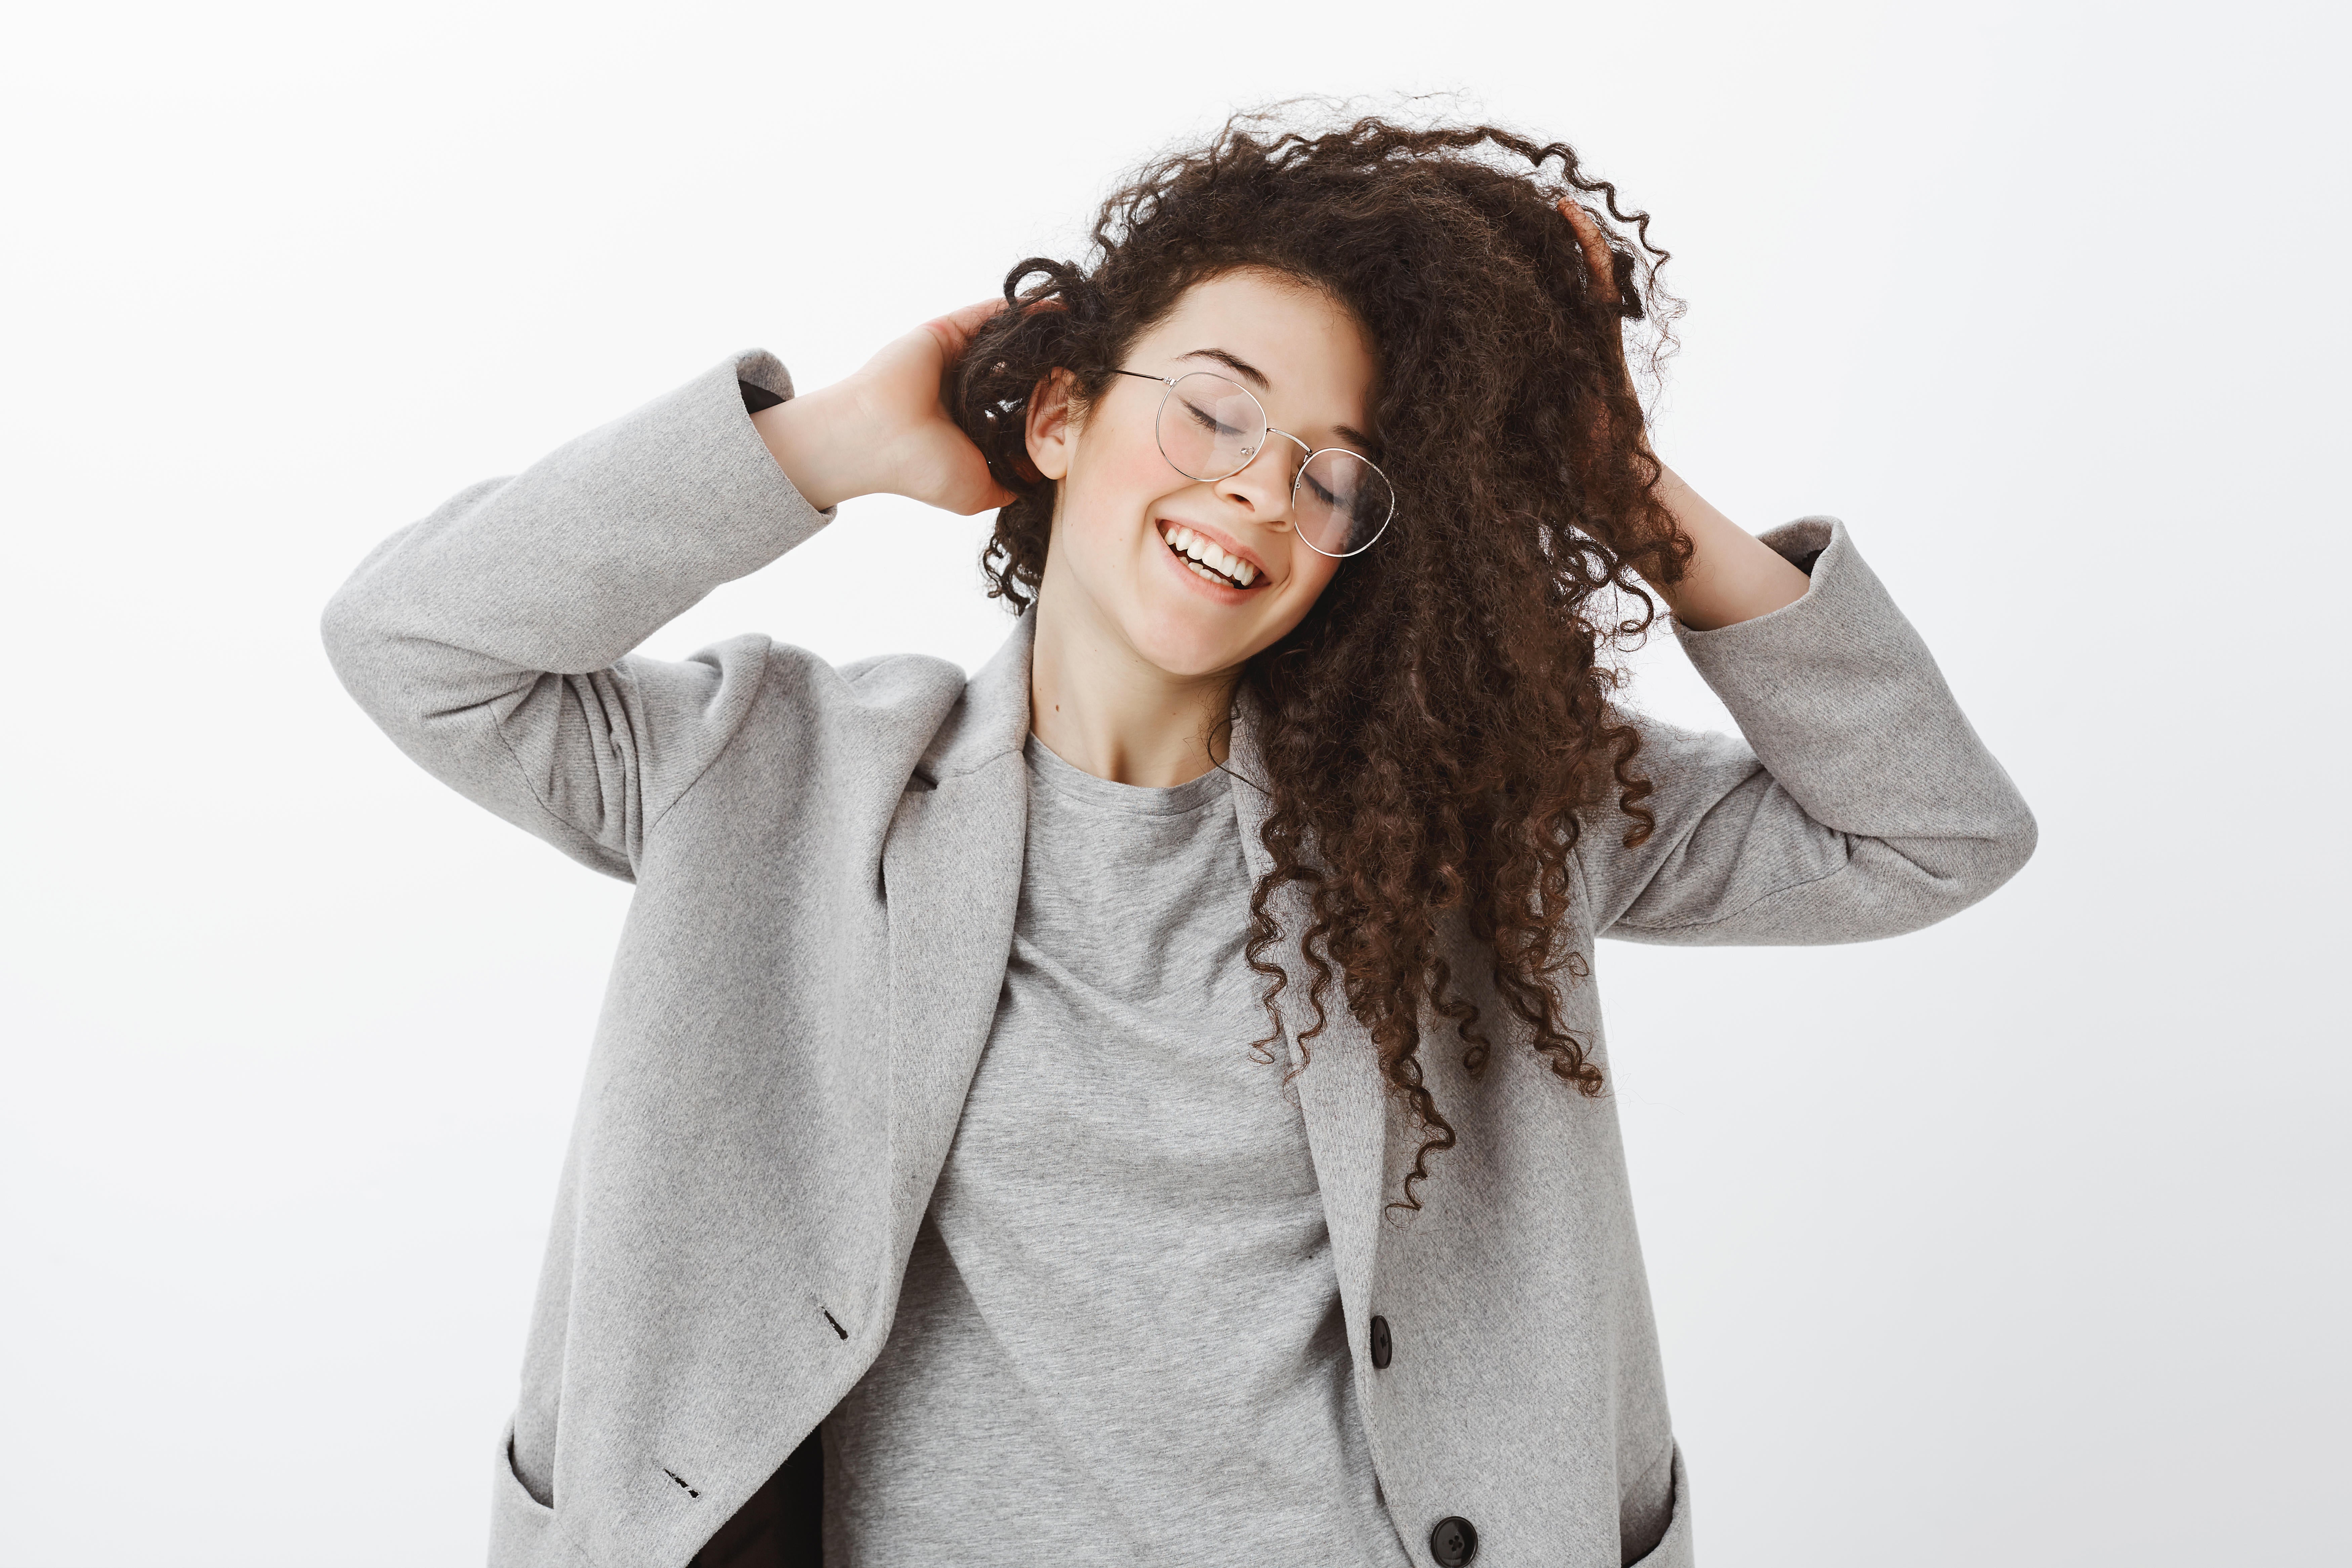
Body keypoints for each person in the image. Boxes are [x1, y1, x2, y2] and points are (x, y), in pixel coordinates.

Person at [323, 113, 2035, 1568]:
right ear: (1057, 417)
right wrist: (827, 442)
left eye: (1334, 475)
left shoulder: (1480, 818)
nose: (1255, 492)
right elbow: (418, 643)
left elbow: (1927, 836)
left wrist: (1613, 482)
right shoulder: (764, 769)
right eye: (1211, 411)